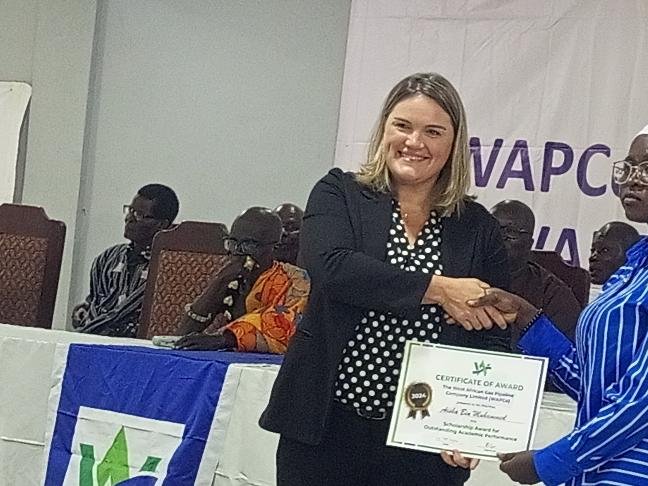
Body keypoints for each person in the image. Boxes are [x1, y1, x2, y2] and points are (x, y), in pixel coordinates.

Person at [451, 118, 648, 485]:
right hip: (602, 471)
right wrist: (527, 318)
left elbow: (644, 403)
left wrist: (549, 462)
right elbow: (597, 387)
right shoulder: (635, 269)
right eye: (629, 167)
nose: (633, 179)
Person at [259, 72, 510, 486]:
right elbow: (334, 268)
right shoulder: (339, 191)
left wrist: (472, 428)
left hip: (424, 443)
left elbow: (494, 333)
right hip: (324, 433)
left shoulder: (477, 226)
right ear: (384, 129)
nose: (415, 142)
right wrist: (440, 289)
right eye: (403, 126)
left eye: (433, 131)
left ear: (453, 143)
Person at [174, 207, 309, 354]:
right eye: (232, 243)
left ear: (274, 246)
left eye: (249, 244)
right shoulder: (231, 278)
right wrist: (219, 282)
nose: (238, 252)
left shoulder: (296, 280)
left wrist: (225, 339)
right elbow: (184, 334)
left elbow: (284, 325)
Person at [72, 184, 179, 337]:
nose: (129, 219)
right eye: (130, 210)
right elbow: (95, 301)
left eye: (140, 215)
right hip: (93, 338)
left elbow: (121, 315)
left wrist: (84, 330)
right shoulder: (108, 257)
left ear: (161, 224)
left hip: (135, 347)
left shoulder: (165, 266)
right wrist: (83, 312)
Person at [491, 199, 581, 344]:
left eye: (511, 232)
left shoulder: (553, 294)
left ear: (529, 244)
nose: (498, 238)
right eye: (492, 229)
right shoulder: (463, 277)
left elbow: (563, 354)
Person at [587, 221, 640, 302]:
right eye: (593, 250)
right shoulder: (596, 298)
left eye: (605, 250)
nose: (592, 257)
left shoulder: (636, 301)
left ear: (631, 255)